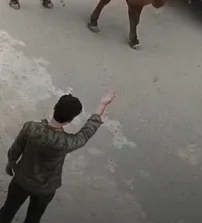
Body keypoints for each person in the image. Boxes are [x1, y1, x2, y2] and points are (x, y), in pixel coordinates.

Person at [0, 89, 116, 223]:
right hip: (45, 189)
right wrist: (101, 107)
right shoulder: (67, 142)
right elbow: (86, 133)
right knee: (33, 218)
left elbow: (15, 149)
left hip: (21, 181)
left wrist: (11, 162)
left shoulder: (30, 127)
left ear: (55, 107)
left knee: (7, 211)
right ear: (71, 120)